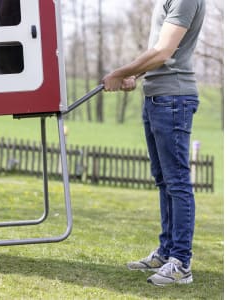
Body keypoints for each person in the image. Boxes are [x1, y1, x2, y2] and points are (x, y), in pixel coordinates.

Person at [102, 0, 206, 286]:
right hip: (157, 97)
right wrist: (135, 74)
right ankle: (166, 252)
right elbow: (158, 53)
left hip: (173, 98)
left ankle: (181, 263)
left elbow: (163, 51)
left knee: (177, 183)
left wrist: (121, 72)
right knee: (164, 181)